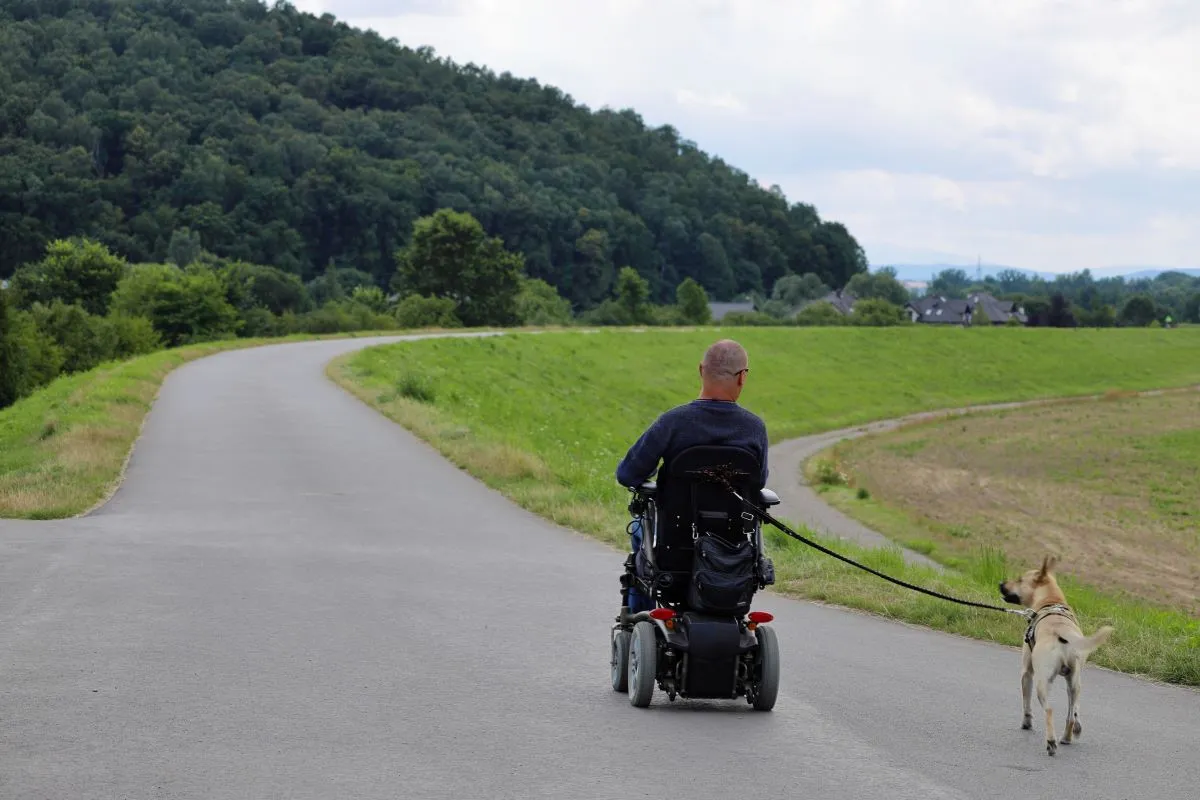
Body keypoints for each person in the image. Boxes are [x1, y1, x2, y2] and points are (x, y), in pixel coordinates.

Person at [614, 339, 769, 613]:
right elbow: (759, 483)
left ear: (701, 370)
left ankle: (639, 615)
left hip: (673, 550)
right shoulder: (754, 429)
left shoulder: (673, 422)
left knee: (640, 529)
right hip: (731, 555)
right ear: (742, 377)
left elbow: (628, 474)